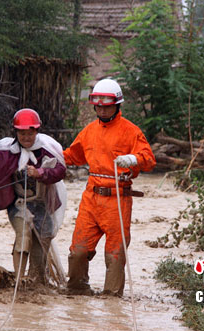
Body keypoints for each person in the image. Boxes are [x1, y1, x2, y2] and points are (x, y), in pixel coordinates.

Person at [63, 78, 156, 296]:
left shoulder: (131, 131)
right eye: (99, 106)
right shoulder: (88, 131)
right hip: (91, 198)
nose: (103, 111)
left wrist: (133, 159)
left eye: (107, 106)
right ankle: (77, 291)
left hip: (117, 200)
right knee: (78, 251)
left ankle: (112, 300)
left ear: (117, 105)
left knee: (114, 254)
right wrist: (49, 157)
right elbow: (72, 155)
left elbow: (149, 159)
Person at [0, 108, 67, 285]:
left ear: (37, 131)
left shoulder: (48, 149)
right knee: (24, 234)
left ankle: (36, 281)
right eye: (22, 133)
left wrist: (40, 172)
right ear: (16, 132)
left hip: (42, 203)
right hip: (19, 203)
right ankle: (19, 280)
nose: (26, 137)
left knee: (42, 239)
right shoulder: (4, 151)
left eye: (30, 133)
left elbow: (60, 171)